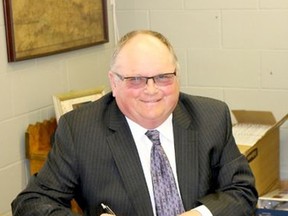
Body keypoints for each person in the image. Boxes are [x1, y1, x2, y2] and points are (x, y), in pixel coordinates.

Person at [12, 30, 258, 216]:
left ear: (177, 77)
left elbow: (242, 191)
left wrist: (200, 214)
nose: (151, 90)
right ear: (114, 82)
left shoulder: (211, 116)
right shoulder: (79, 130)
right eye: (136, 79)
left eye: (163, 77)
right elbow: (30, 203)